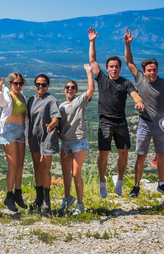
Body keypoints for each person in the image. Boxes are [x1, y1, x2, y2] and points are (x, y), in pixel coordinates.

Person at [88, 28, 145, 198]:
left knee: (124, 153)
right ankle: (102, 181)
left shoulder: (125, 83)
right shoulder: (102, 78)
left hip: (120, 122)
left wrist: (139, 100)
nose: (114, 69)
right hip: (105, 121)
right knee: (103, 154)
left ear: (120, 68)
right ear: (107, 68)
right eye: (111, 67)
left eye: (116, 67)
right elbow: (92, 60)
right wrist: (92, 41)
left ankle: (119, 181)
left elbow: (134, 94)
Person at [124, 29, 164, 198]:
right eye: (149, 70)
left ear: (157, 69)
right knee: (141, 156)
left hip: (162, 125)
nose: (152, 73)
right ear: (144, 71)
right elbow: (129, 62)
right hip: (144, 123)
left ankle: (162, 185)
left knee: (161, 156)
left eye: (154, 70)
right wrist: (127, 44)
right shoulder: (139, 79)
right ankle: (136, 186)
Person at [58, 64, 95, 215]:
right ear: (65, 90)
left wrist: (89, 72)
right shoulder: (61, 106)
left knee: (75, 174)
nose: (70, 89)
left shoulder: (80, 101)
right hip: (65, 142)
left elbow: (91, 89)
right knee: (66, 173)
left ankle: (80, 204)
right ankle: (68, 198)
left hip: (79, 141)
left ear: (76, 90)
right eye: (68, 87)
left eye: (73, 87)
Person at [0, 71, 28, 212]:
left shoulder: (23, 97)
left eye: (20, 83)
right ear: (10, 84)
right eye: (15, 83)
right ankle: (9, 196)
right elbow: (0, 102)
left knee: (20, 165)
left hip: (21, 131)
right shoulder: (8, 94)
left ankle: (18, 194)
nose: (18, 86)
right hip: (9, 131)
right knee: (13, 165)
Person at [28, 74, 61, 214]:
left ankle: (47, 200)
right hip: (34, 137)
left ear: (48, 86)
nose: (40, 87)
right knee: (36, 167)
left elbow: (57, 117)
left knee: (44, 167)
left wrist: (51, 125)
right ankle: (39, 198)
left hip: (47, 137)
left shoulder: (51, 100)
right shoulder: (31, 100)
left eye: (43, 84)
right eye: (38, 84)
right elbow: (29, 120)